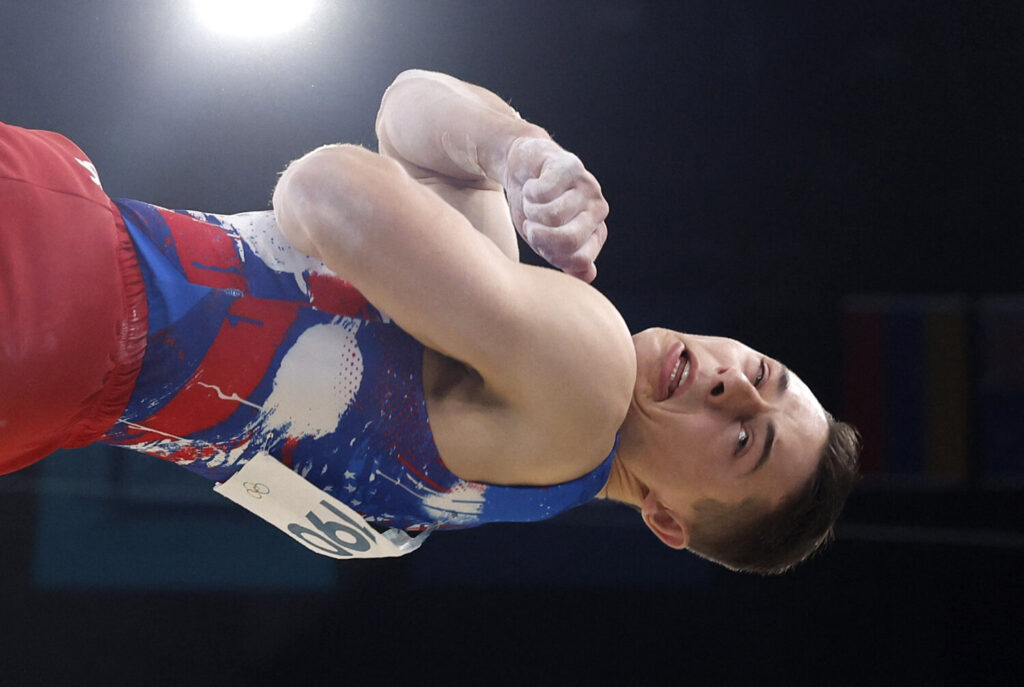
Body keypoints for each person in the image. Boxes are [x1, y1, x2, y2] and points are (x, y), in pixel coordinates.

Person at [0, 70, 859, 574]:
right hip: (60, 401)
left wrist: (509, 160)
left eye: (744, 437)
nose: (730, 383)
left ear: (669, 519)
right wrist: (512, 151)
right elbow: (410, 112)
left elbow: (323, 190)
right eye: (766, 373)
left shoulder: (591, 375)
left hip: (67, 277)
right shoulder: (502, 469)